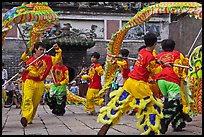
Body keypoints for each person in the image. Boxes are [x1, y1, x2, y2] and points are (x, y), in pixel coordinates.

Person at [97, 33, 165, 135]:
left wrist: (157, 62)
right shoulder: (150, 57)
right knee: (153, 106)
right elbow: (153, 71)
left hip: (129, 82)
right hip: (139, 85)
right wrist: (162, 67)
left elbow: (147, 63)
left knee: (119, 104)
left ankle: (104, 128)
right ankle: (151, 130)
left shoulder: (142, 52)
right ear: (155, 44)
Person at [19, 42, 62, 127]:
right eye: (40, 49)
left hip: (40, 83)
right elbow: (34, 73)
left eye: (43, 50)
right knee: (27, 99)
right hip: (29, 82)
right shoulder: (30, 61)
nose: (42, 51)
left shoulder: (47, 59)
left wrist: (58, 50)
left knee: (35, 102)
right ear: (35, 50)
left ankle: (29, 118)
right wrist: (26, 71)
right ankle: (25, 117)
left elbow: (57, 59)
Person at [154, 39, 190, 134]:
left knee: (173, 102)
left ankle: (178, 123)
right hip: (172, 80)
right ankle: (164, 121)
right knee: (174, 103)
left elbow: (154, 69)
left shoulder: (158, 56)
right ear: (174, 46)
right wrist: (186, 59)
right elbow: (183, 66)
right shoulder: (177, 54)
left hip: (160, 81)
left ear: (162, 47)